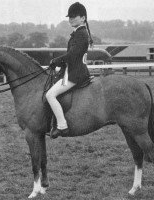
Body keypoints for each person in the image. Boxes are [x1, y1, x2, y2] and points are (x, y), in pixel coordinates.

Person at [46, 2, 93, 139]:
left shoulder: (81, 34)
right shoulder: (79, 32)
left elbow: (73, 55)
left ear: (83, 18)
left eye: (74, 16)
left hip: (75, 75)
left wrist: (56, 60)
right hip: (72, 71)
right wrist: (61, 66)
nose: (70, 19)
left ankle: (62, 125)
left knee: (50, 95)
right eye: (69, 17)